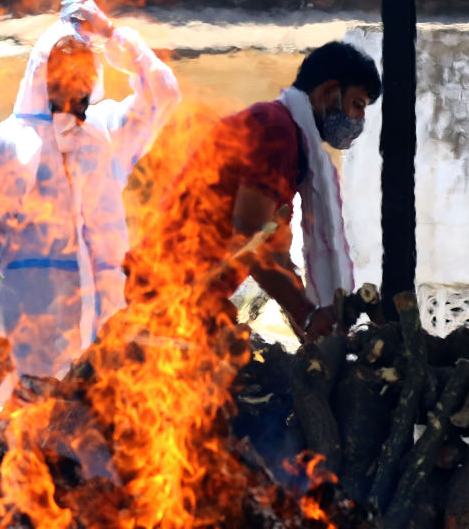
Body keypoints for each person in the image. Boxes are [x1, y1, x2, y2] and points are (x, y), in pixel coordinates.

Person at [0, 0, 181, 379]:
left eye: (84, 68)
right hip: (30, 318)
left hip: (105, 315)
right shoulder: (5, 146)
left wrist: (108, 33)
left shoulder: (106, 135)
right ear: (43, 73)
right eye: (64, 68)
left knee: (100, 429)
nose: (76, 79)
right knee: (30, 427)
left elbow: (164, 94)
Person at [123, 40, 381, 342]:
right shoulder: (275, 130)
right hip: (167, 297)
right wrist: (308, 316)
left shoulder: (292, 143)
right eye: (357, 104)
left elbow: (275, 253)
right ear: (328, 93)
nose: (359, 119)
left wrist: (315, 334)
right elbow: (251, 238)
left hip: (190, 299)